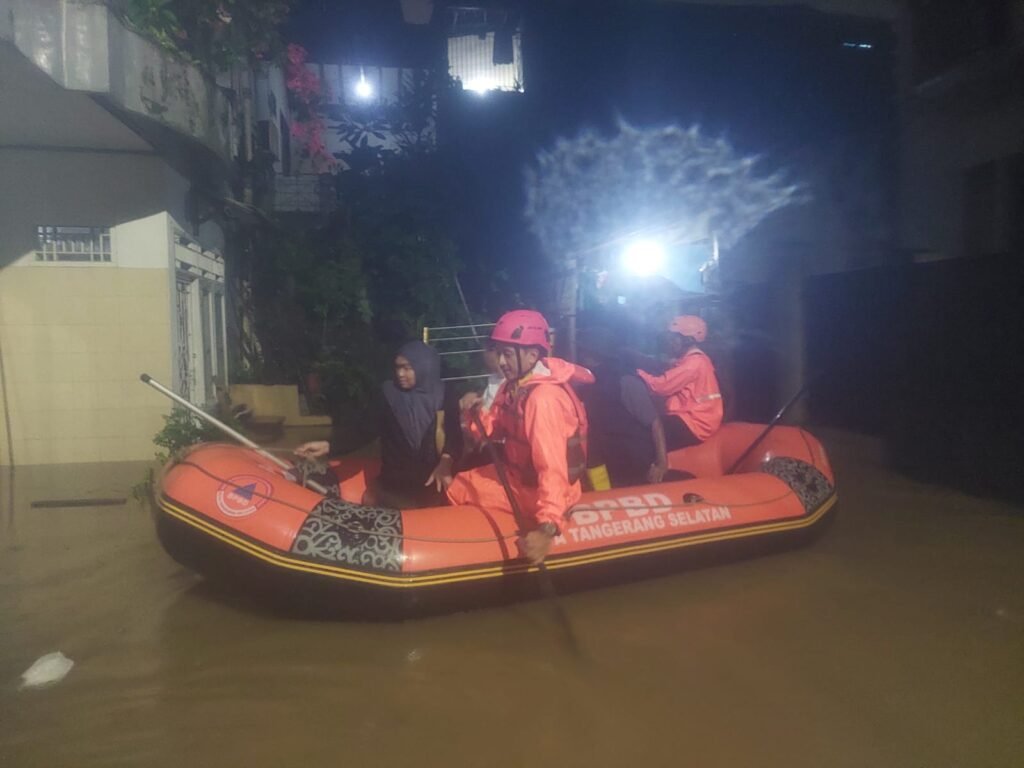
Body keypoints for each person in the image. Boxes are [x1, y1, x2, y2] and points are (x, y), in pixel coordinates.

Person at [447, 310, 594, 564]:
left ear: (532, 355)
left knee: (457, 489)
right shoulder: (514, 386)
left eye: (507, 353)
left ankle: (473, 551)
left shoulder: (543, 399)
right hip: (518, 478)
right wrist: (473, 414)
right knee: (462, 481)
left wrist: (547, 527)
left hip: (541, 492)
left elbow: (552, 468)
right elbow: (491, 429)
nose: (501, 361)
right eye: (498, 352)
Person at [295, 341, 461, 508]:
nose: (400, 374)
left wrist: (445, 463)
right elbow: (364, 430)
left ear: (425, 366)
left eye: (407, 368)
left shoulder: (446, 395)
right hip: (393, 486)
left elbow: (454, 437)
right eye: (397, 368)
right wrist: (329, 445)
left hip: (432, 484)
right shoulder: (388, 394)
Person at [636, 315, 723, 464]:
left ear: (687, 340)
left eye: (674, 338)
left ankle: (650, 474)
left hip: (694, 422)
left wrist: (637, 372)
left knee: (642, 439)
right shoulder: (694, 360)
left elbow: (660, 386)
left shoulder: (693, 363)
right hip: (695, 418)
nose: (670, 342)